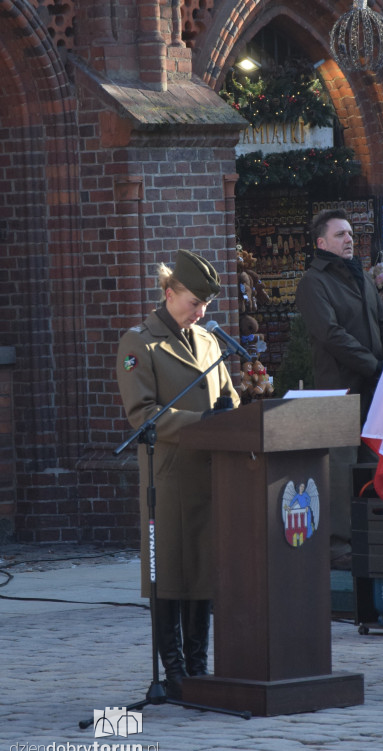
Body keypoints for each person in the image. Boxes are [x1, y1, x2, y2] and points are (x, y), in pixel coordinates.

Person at [116, 249, 240, 699]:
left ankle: (197, 666)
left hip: (210, 473)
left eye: (206, 304)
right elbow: (142, 416)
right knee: (169, 571)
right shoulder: (139, 344)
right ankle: (172, 671)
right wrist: (202, 422)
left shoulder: (209, 341)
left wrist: (232, 415)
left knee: (203, 570)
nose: (201, 312)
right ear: (169, 293)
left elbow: (228, 398)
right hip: (167, 478)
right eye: (194, 302)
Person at [295, 208, 383, 565]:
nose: (350, 239)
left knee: (372, 464)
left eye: (351, 233)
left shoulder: (364, 277)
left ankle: (371, 536)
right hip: (340, 391)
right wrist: (373, 366)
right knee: (340, 470)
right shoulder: (314, 282)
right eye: (340, 235)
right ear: (321, 243)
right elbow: (331, 334)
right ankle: (338, 547)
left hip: (374, 390)